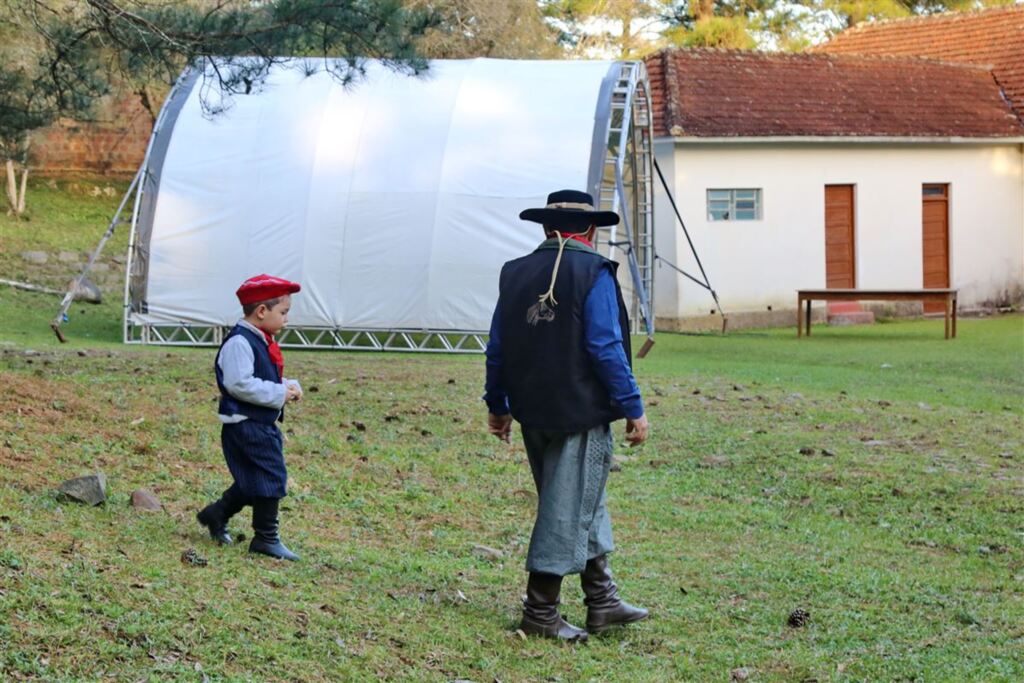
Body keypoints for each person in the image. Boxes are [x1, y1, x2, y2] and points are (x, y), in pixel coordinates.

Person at [484, 189, 650, 642]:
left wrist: (497, 406)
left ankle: (602, 599)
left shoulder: (514, 273)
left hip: (532, 411)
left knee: (578, 498)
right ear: (591, 231)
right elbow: (605, 347)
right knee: (566, 505)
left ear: (544, 228)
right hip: (579, 413)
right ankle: (540, 612)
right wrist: (633, 406)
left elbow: (498, 346)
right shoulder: (593, 271)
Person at [197, 274, 304, 561]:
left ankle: (216, 514)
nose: (286, 319)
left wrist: (287, 384)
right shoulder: (240, 343)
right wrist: (280, 392)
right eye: (283, 312)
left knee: (252, 479)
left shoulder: (258, 339)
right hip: (246, 424)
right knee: (271, 475)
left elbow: (259, 378)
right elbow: (240, 384)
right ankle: (266, 538)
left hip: (255, 422)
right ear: (261, 312)